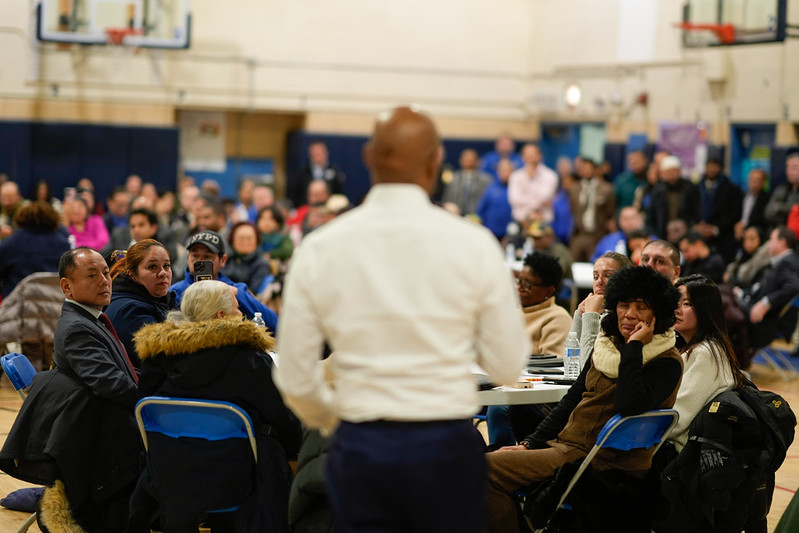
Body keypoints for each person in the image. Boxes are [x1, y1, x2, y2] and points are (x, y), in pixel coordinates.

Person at [276, 106, 529, 533]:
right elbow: (507, 366)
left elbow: (297, 379)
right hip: (446, 445)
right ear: (436, 162)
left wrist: (341, 420)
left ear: (368, 157)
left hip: (359, 444)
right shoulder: (474, 244)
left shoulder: (321, 247)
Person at [486, 266, 682, 533]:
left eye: (641, 307)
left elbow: (629, 405)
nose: (630, 314)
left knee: (486, 469)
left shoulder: (666, 361)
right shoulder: (607, 347)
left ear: (658, 313)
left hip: (598, 460)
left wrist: (634, 347)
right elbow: (573, 399)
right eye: (623, 304)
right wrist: (529, 444)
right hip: (567, 447)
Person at [129, 280, 302, 532]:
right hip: (240, 479)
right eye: (237, 308)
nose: (241, 314)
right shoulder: (250, 360)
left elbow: (145, 408)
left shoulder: (158, 357)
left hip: (172, 472)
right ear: (221, 315)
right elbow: (283, 420)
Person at [0, 247, 141, 531]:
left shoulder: (91, 318)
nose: (104, 280)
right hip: (100, 443)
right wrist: (155, 400)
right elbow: (112, 385)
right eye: (92, 274)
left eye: (105, 272)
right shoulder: (78, 327)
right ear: (67, 286)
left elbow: (122, 373)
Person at [487, 252, 573, 447]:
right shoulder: (513, 313)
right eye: (519, 281)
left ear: (549, 290)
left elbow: (552, 367)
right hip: (501, 384)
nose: (519, 288)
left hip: (534, 397)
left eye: (527, 284)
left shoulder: (557, 318)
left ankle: (504, 460)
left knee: (498, 408)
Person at [669, 274, 747, 452]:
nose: (677, 310)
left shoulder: (706, 354)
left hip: (680, 455)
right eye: (676, 302)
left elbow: (677, 420)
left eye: (687, 304)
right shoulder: (698, 347)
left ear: (705, 309)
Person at [170, 230, 278, 331]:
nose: (200, 262)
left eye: (207, 257)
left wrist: (237, 294)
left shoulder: (236, 290)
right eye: (195, 256)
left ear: (223, 260)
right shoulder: (175, 292)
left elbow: (274, 323)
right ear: (188, 258)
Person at [105, 239, 175, 366]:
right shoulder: (128, 311)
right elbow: (163, 360)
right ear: (133, 274)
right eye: (152, 267)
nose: (163, 273)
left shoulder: (162, 298)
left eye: (166, 266)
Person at [0, 201, 71, 298]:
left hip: (17, 307)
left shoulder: (9, 244)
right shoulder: (64, 245)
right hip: (56, 305)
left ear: (21, 218)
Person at [569, 251, 633, 359]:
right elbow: (570, 360)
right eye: (595, 276)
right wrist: (579, 315)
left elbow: (588, 368)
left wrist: (590, 316)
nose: (599, 281)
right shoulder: (598, 312)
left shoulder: (626, 318)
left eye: (608, 276)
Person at [569, 157, 617, 262]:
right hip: (579, 234)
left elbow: (610, 212)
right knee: (574, 263)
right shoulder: (574, 189)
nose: (586, 171)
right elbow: (573, 210)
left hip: (597, 234)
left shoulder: (606, 189)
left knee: (596, 263)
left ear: (595, 169)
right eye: (583, 168)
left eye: (589, 168)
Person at [508, 143, 559, 224]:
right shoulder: (515, 176)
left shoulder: (551, 176)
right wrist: (538, 204)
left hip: (544, 221)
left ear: (540, 156)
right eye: (527, 155)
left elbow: (545, 197)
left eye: (533, 154)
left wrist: (532, 178)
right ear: (522, 157)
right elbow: (514, 199)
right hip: (521, 222)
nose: (530, 157)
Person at [288, 141, 347, 208]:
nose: (317, 157)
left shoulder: (335, 172)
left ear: (326, 153)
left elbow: (340, 194)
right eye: (314, 154)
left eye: (319, 153)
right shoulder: (302, 173)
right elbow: (295, 194)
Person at [221, 221, 271, 294]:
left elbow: (251, 293)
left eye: (249, 238)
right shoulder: (226, 259)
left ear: (256, 240)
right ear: (232, 240)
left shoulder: (261, 264)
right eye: (241, 238)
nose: (245, 242)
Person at [441, 149, 493, 216]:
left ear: (477, 161)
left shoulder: (486, 180)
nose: (468, 161)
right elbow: (447, 198)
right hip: (455, 216)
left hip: (477, 218)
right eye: (465, 158)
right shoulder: (452, 179)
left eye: (471, 159)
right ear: (460, 161)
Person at [476, 158, 515, 239]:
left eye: (507, 170)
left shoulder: (517, 188)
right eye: (501, 170)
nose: (504, 173)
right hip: (491, 232)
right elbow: (481, 209)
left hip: (511, 232)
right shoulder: (491, 188)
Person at [764, 153, 799, 227]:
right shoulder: (782, 188)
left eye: (794, 167)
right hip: (779, 230)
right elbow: (767, 213)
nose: (790, 172)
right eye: (788, 167)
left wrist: (779, 207)